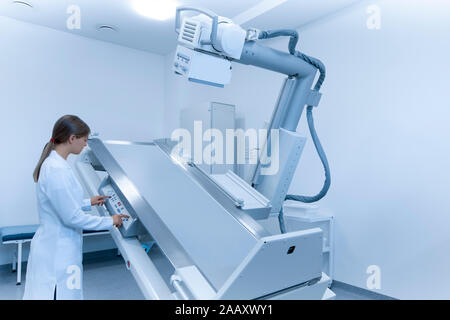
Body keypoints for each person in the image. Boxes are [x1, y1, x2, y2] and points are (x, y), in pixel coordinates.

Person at [23, 115, 128, 300]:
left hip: (56, 246)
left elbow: (62, 203)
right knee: (59, 294)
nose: (85, 145)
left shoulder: (54, 164)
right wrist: (110, 221)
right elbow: (72, 217)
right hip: (58, 253)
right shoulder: (57, 170)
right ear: (72, 138)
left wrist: (89, 201)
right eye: (84, 140)